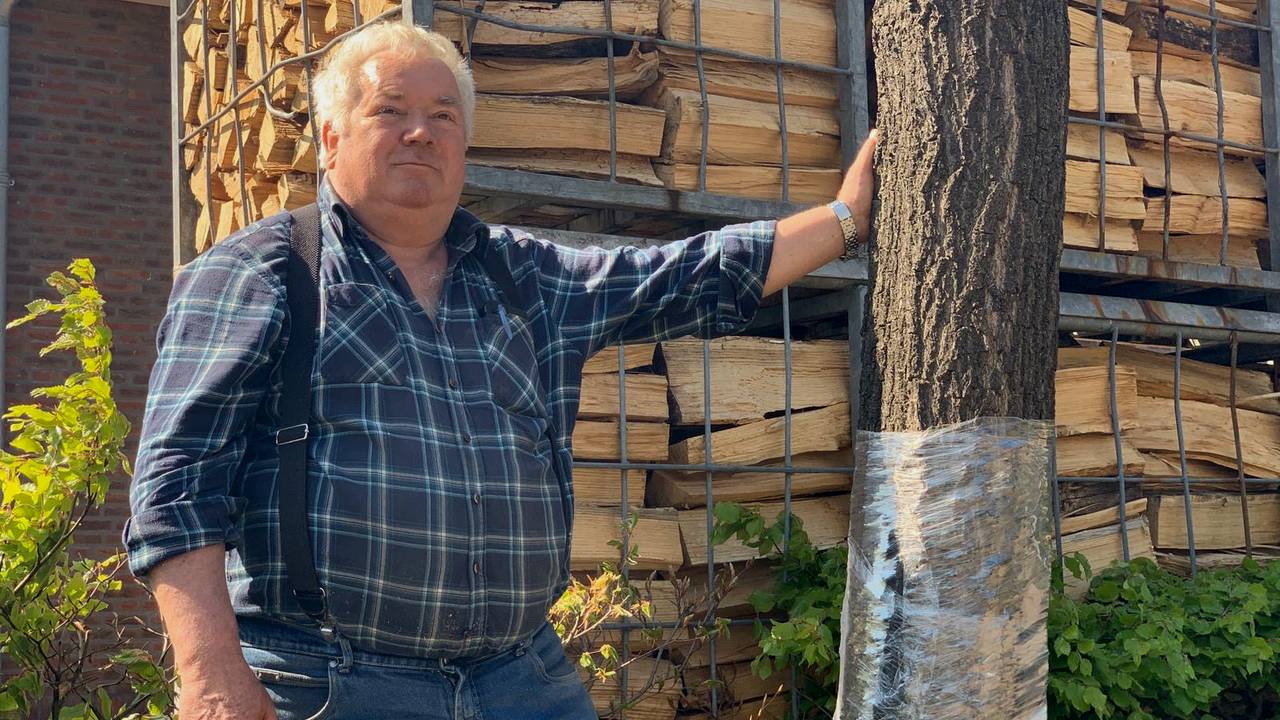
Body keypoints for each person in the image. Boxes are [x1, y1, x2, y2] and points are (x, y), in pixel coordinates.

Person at [124, 21, 878, 720]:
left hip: (520, 680)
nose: (421, 132)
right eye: (391, 110)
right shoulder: (262, 273)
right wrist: (211, 673)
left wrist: (845, 217)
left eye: (444, 115)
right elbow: (178, 479)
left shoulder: (525, 278)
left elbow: (686, 274)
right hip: (330, 680)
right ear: (330, 138)